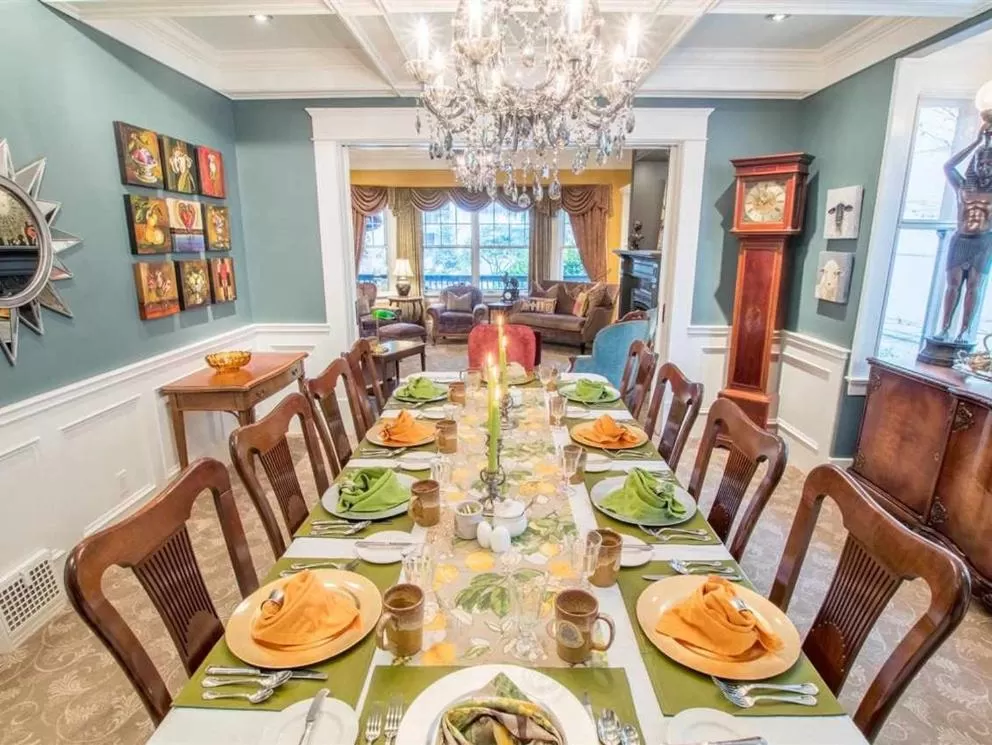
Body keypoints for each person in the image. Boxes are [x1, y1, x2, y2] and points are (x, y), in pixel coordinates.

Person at [936, 119, 992, 342]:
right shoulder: (962, 186)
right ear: (976, 164)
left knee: (974, 287)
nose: (986, 166)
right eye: (983, 162)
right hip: (960, 238)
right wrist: (977, 141)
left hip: (984, 241)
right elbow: (947, 166)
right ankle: (944, 328)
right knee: (952, 286)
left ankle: (964, 331)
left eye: (990, 162)